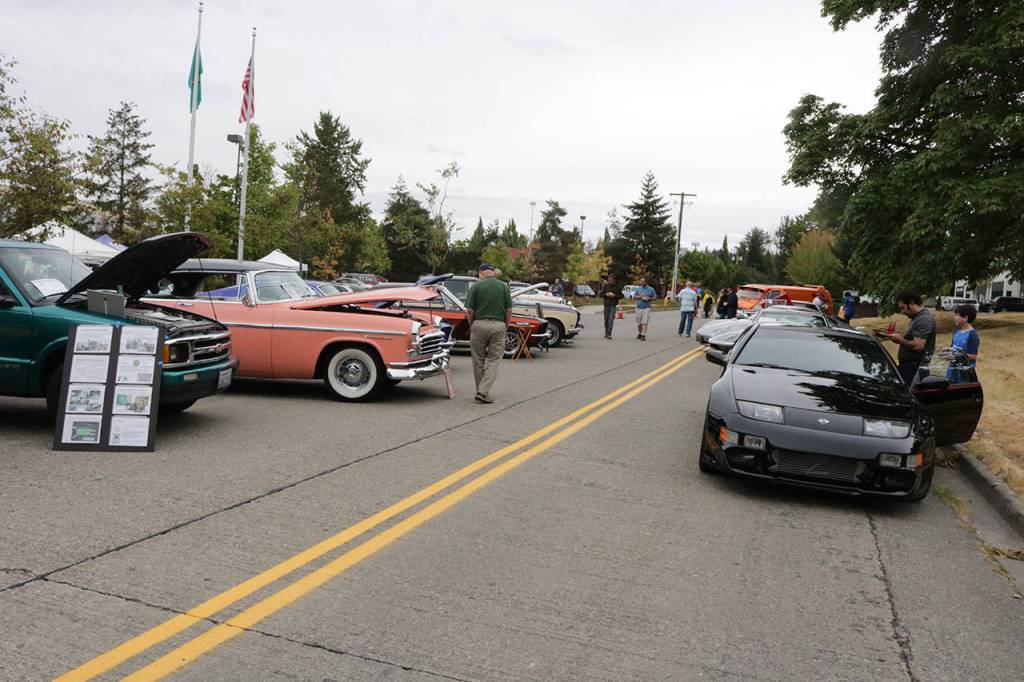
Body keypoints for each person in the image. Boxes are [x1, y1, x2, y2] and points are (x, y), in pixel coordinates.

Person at [465, 262, 513, 404]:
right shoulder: (503, 287)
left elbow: (469, 310)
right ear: (492, 272)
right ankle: (483, 391)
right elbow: (509, 310)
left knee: (478, 359)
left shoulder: (476, 286)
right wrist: (505, 325)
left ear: (481, 272)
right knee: (493, 360)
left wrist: (472, 324)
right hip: (498, 325)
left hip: (479, 324)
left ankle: (481, 390)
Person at [879, 290, 937, 386]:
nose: (902, 312)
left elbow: (918, 346)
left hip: (914, 369)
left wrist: (900, 340)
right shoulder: (916, 318)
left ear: (912, 303)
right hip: (909, 367)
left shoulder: (923, 319)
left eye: (903, 308)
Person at [948, 304, 980, 383]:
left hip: (964, 374)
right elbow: (952, 349)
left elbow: (973, 356)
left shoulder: (972, 335)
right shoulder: (956, 332)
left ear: (965, 318)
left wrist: (955, 356)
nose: (954, 317)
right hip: (952, 370)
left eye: (956, 315)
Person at [600, 274, 622, 339]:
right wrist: (606, 294)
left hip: (613, 305)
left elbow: (621, 296)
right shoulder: (605, 286)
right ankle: (606, 332)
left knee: (611, 320)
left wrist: (614, 296)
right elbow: (600, 294)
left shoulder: (617, 287)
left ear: (614, 280)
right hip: (606, 304)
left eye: (611, 279)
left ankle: (609, 334)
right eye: (609, 280)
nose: (610, 281)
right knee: (606, 320)